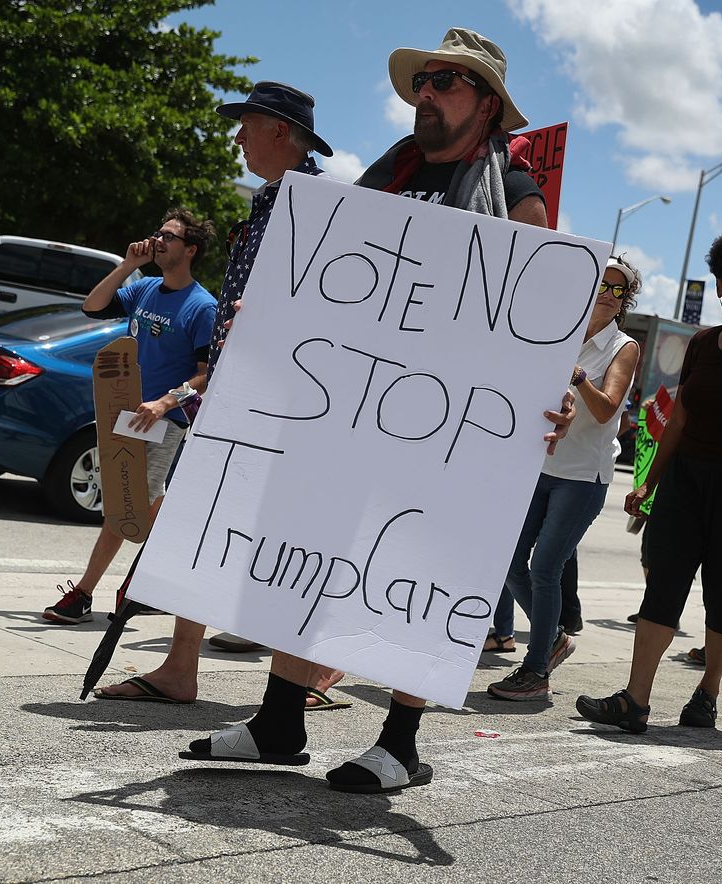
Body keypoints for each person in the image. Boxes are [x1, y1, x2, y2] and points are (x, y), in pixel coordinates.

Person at [184, 28, 572, 793]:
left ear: (487, 104)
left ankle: (400, 743)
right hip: (352, 411)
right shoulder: (389, 172)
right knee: (312, 554)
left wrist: (540, 393)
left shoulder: (514, 195)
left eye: (447, 83)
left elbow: (538, 321)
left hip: (441, 423)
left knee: (419, 567)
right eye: (423, 80)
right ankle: (278, 722)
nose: (426, 93)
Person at [93, 82, 346, 710]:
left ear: (281, 132)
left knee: (285, 534)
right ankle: (182, 668)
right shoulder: (273, 200)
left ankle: (314, 660)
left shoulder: (317, 205)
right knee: (197, 526)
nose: (237, 137)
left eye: (247, 125)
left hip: (285, 404)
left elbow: (338, 312)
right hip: (237, 396)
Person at [575, 229, 722, 733]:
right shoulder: (701, 343)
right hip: (685, 481)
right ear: (719, 288)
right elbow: (679, 419)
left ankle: (708, 692)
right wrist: (649, 483)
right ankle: (635, 700)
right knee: (663, 585)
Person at [41, 208, 217, 625]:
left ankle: (88, 593)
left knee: (127, 507)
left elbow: (207, 375)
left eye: (169, 237)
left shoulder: (202, 306)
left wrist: (165, 403)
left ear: (190, 250)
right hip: (125, 415)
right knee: (139, 508)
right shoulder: (147, 288)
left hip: (161, 421)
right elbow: (93, 306)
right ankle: (148, 584)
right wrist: (128, 266)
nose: (158, 241)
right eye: (157, 233)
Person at [486, 255, 640, 700]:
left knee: (545, 567)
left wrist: (577, 378)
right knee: (511, 562)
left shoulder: (622, 346)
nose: (609, 296)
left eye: (619, 290)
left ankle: (536, 671)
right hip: (537, 465)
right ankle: (552, 639)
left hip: (581, 474)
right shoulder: (558, 332)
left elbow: (608, 407)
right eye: (602, 286)